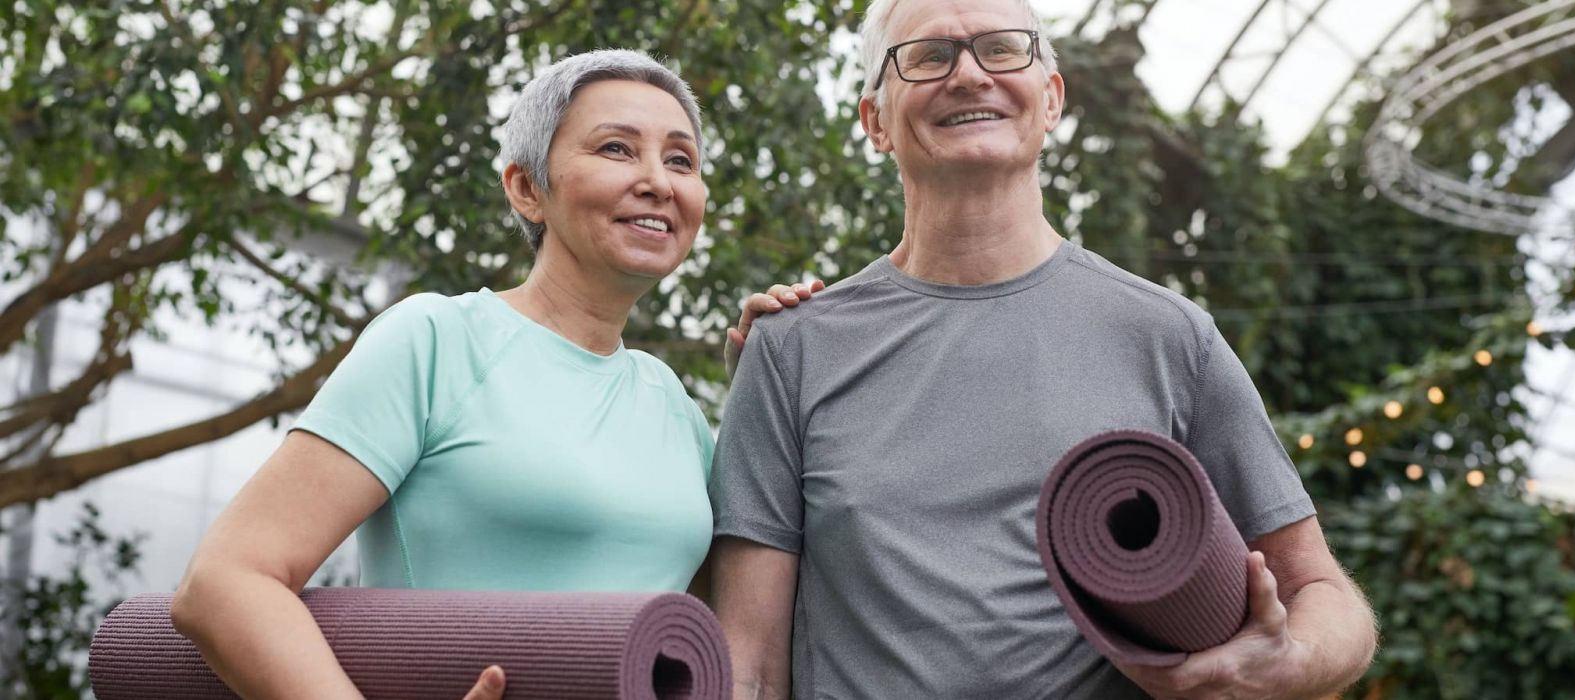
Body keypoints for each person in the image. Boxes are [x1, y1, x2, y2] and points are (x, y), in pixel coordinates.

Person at [708, 1, 1379, 698]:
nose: (969, 75)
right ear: (875, 121)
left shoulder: (1170, 336)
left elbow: (1325, 594)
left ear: (1051, 98)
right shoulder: (791, 349)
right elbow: (748, 666)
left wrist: (1285, 663)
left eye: (1003, 49)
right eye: (929, 57)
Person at [171, 49, 820, 700]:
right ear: (527, 189)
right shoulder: (436, 341)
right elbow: (225, 581)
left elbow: (713, 650)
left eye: (680, 160)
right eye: (617, 149)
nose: (658, 180)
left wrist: (771, 388)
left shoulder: (675, 407)